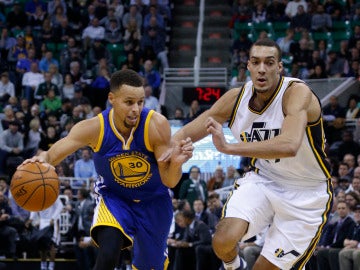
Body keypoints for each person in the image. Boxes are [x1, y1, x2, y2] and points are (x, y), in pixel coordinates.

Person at [169, 38, 333, 270]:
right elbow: (187, 131)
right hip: (264, 180)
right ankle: (236, 267)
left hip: (306, 193)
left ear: (280, 67)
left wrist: (228, 148)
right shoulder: (236, 99)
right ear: (248, 66)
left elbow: (289, 145)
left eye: (269, 62)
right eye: (256, 62)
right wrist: (160, 152)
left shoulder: (296, 93)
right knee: (222, 241)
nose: (262, 69)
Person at [21, 69, 194, 270]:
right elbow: (53, 154)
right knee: (108, 254)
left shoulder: (155, 124)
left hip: (153, 200)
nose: (136, 109)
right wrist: (41, 159)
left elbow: (170, 181)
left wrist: (177, 164)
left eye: (140, 102)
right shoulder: (94, 128)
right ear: (112, 98)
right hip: (115, 198)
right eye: (129, 102)